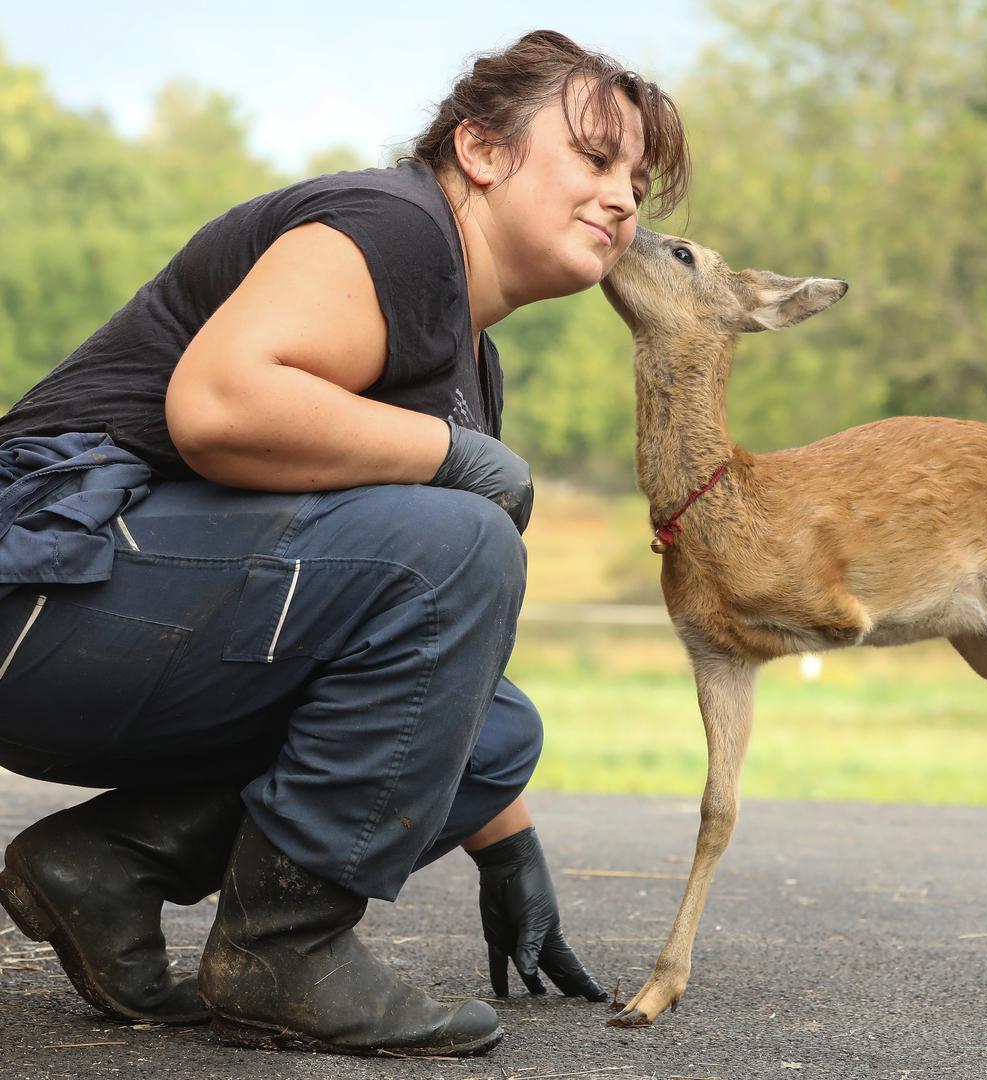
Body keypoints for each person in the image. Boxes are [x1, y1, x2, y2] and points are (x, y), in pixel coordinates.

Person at [0, 30, 690, 1058]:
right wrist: (459, 463)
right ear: (482, 151)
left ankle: (108, 867)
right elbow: (221, 404)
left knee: (493, 734)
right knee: (458, 539)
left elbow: (412, 651)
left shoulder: (468, 356)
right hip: (40, 584)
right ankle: (284, 955)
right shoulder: (393, 226)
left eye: (639, 179)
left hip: (114, 622)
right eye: (595, 158)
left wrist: (509, 849)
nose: (623, 197)